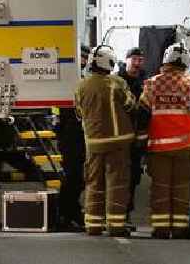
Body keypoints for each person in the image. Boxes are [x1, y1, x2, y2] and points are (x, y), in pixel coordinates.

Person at [136, 43, 190, 239]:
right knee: (181, 189)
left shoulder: (152, 84)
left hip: (158, 148)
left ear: (165, 60)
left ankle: (160, 229)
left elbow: (142, 115)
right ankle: (179, 228)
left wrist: (141, 142)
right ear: (186, 62)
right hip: (185, 147)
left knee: (160, 189)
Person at [75, 45, 135, 237]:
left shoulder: (81, 86)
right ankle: (115, 225)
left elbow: (78, 113)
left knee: (93, 183)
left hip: (92, 143)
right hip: (117, 142)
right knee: (116, 183)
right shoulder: (116, 83)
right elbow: (130, 104)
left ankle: (93, 224)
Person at [56, 45, 91, 231]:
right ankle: (65, 215)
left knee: (77, 178)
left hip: (78, 134)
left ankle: (70, 213)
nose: (84, 61)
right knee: (73, 177)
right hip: (71, 135)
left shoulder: (82, 79)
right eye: (82, 57)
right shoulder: (72, 81)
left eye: (86, 58)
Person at [117, 47, 148, 226]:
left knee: (133, 178)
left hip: (138, 139)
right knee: (119, 176)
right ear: (126, 60)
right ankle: (116, 211)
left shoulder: (145, 82)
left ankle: (126, 212)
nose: (137, 63)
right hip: (120, 137)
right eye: (134, 59)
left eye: (140, 60)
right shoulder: (118, 81)